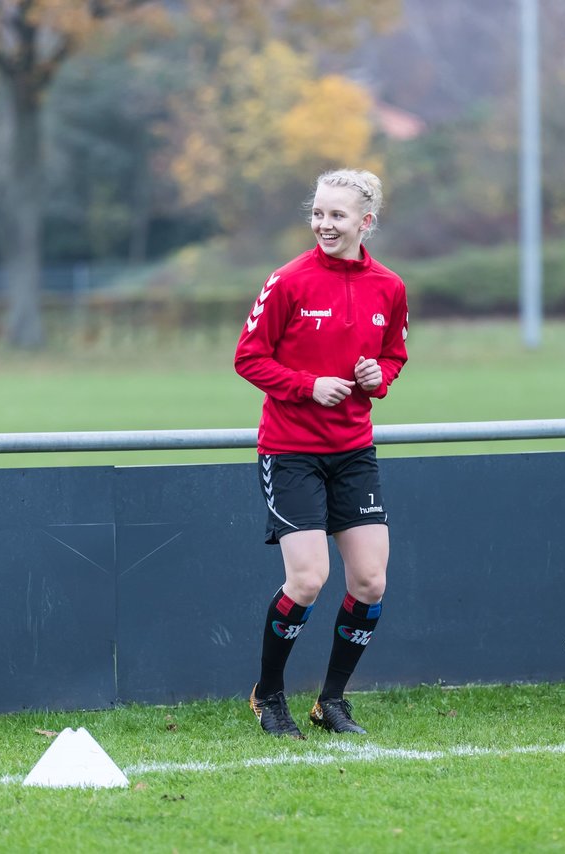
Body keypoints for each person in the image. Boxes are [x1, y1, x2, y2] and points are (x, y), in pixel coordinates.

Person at [234, 168, 409, 738]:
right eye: (318, 214)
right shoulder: (286, 281)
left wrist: (374, 375)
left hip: (354, 450)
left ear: (366, 221)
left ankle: (332, 701)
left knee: (370, 582)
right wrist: (308, 385)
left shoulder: (390, 286)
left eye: (338, 215)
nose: (325, 225)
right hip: (291, 451)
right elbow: (249, 358)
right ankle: (270, 696)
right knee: (307, 580)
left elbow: (393, 358)